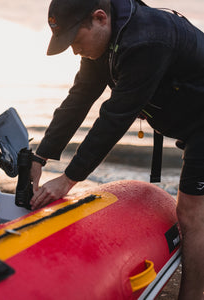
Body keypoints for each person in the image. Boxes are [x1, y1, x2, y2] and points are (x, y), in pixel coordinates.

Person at [29, 0, 204, 298]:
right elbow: (78, 100)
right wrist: (39, 156)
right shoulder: (105, 40)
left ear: (99, 19)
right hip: (191, 120)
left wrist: (69, 178)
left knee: (191, 210)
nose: (74, 50)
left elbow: (115, 118)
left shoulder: (146, 40)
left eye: (75, 40)